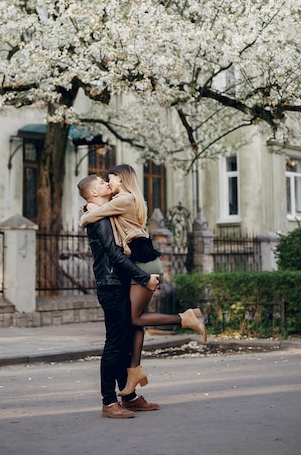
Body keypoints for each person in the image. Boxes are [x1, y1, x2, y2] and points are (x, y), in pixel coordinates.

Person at [79, 165, 207, 397]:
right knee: (128, 330)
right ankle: (124, 388)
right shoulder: (117, 208)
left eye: (111, 179)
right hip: (126, 274)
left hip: (138, 268)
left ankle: (183, 319)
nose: (109, 182)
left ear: (122, 179)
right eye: (103, 181)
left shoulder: (119, 202)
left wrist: (87, 210)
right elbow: (113, 250)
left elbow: (98, 222)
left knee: (131, 325)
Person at [77, 174, 161, 419]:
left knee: (123, 343)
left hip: (118, 283)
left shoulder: (106, 214)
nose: (107, 184)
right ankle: (109, 402)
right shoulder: (100, 220)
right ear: (93, 193)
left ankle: (129, 396)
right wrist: (144, 277)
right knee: (114, 344)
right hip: (111, 285)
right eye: (102, 183)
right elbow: (115, 255)